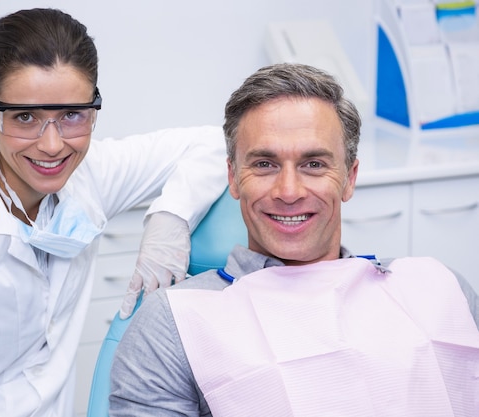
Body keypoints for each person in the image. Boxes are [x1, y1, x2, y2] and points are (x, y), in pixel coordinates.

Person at [0, 8, 227, 417]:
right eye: (25, 117)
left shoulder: (90, 177)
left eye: (72, 115)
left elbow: (217, 142)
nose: (52, 145)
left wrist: (171, 220)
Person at [109, 63, 479, 416]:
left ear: (349, 178)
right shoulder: (172, 324)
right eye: (265, 164)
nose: (288, 191)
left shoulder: (441, 288)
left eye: (314, 164)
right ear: (234, 178)